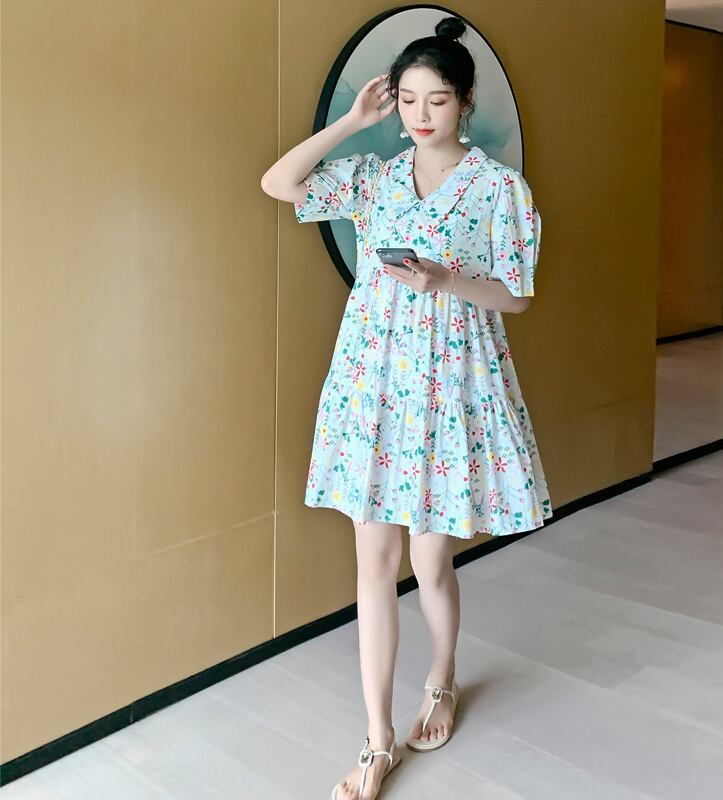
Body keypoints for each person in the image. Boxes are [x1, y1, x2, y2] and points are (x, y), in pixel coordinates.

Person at [261, 14, 553, 800]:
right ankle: (376, 739)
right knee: (375, 563)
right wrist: (351, 123)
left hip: (450, 383)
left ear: (465, 103)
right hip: (374, 383)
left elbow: (517, 297)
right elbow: (279, 184)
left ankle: (443, 678)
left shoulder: (498, 189)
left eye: (438, 100)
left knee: (430, 561)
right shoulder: (374, 176)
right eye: (409, 99)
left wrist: (444, 279)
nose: (422, 114)